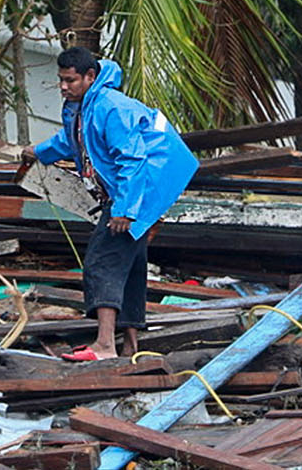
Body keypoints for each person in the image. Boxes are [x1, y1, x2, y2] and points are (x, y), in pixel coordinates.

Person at [19, 46, 199, 361]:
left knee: (101, 263)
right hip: (131, 193)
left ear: (91, 76)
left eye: (70, 81)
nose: (63, 87)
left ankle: (104, 345)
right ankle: (130, 345)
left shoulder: (112, 108)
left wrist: (125, 211)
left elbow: (132, 160)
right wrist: (39, 151)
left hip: (139, 191)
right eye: (61, 80)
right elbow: (70, 141)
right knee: (129, 267)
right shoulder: (84, 106)